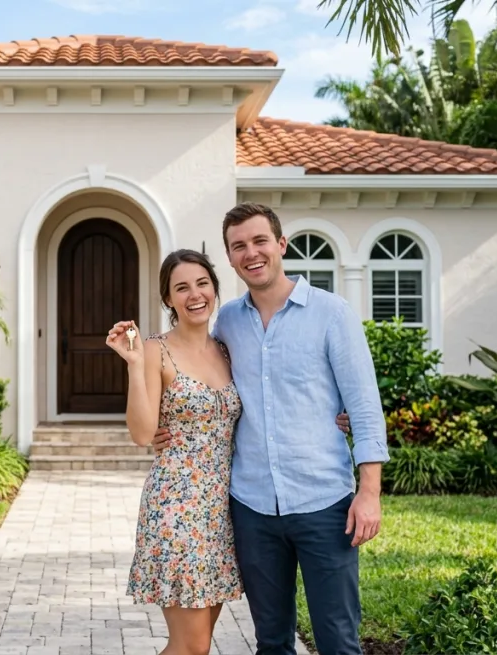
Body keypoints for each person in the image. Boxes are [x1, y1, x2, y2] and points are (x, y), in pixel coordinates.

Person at [151, 203, 389, 655]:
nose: (251, 253)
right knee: (272, 642)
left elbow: (363, 406)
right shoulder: (227, 323)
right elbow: (202, 390)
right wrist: (167, 429)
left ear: (281, 244)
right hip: (253, 507)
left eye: (260, 241)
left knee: (338, 640)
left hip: (324, 504)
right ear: (230, 256)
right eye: (238, 246)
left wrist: (370, 491)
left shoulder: (331, 314)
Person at [105, 249, 242, 655]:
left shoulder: (227, 349)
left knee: (197, 643)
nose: (194, 294)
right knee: (193, 646)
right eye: (181, 287)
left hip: (223, 510)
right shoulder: (153, 350)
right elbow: (143, 432)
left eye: (202, 284)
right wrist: (132, 365)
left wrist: (334, 416)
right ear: (167, 299)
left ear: (215, 290)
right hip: (177, 508)